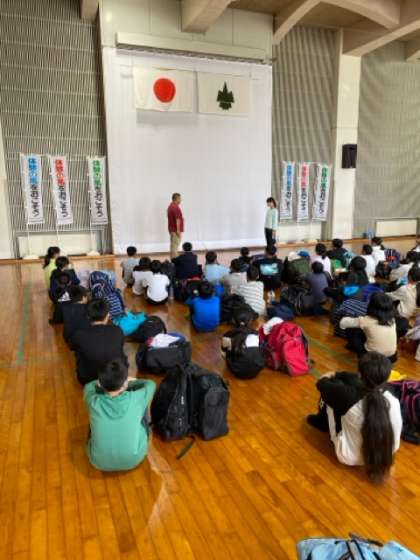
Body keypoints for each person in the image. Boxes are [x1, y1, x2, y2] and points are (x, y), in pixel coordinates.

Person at [307, 352, 402, 484]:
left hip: (350, 457)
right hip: (388, 452)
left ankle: (321, 422)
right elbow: (355, 381)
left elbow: (321, 383)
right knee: (344, 394)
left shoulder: (348, 396)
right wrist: (341, 374)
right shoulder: (393, 397)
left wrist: (333, 374)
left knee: (331, 392)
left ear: (360, 374)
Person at [84, 359, 156, 472]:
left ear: (101, 383)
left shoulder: (93, 401)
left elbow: (89, 385)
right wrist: (130, 383)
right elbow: (151, 384)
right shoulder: (137, 397)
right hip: (133, 460)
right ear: (124, 383)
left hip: (98, 462)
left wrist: (102, 383)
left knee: (93, 419)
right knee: (143, 406)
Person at [72, 299, 128, 386]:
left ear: (87, 316)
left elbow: (72, 346)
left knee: (79, 352)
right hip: (116, 377)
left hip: (88, 379)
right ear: (108, 315)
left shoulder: (79, 334)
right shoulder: (117, 330)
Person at [339, 292, 397, 360]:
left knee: (352, 329)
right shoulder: (392, 319)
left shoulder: (366, 320)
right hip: (391, 356)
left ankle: (354, 349)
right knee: (365, 329)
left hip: (372, 357)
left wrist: (355, 317)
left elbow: (343, 323)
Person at [167, 193, 184, 259]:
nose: (181, 200)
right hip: (175, 231)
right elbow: (177, 219)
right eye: (180, 198)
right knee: (175, 247)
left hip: (172, 229)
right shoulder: (175, 207)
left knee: (173, 246)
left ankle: (173, 260)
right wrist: (178, 231)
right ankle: (175, 261)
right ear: (177, 199)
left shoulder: (170, 206)